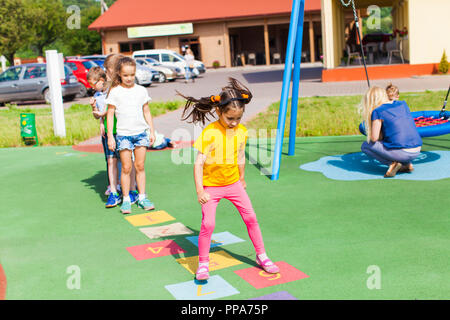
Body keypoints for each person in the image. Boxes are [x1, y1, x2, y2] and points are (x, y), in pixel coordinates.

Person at [178, 77, 280, 280]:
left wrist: (241, 177)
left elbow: (240, 155)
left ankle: (262, 256)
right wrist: (200, 190)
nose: (234, 123)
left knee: (251, 218)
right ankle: (204, 264)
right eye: (229, 118)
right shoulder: (210, 132)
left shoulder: (241, 132)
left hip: (233, 184)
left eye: (238, 119)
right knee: (208, 225)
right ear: (219, 112)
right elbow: (198, 163)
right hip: (211, 187)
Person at [105, 56, 156, 214]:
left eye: (132, 75)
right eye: (125, 75)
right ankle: (126, 199)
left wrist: (151, 131)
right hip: (123, 135)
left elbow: (146, 111)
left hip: (140, 133)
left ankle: (142, 197)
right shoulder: (115, 92)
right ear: (119, 74)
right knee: (126, 167)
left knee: (140, 166)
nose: (129, 78)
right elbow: (110, 114)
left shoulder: (141, 90)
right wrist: (110, 136)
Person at [360, 86, 422, 178]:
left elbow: (374, 138)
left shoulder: (377, 111)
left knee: (366, 145)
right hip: (417, 150)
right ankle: (406, 164)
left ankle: (392, 164)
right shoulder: (402, 104)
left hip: (403, 153)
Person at [103, 54, 139, 204]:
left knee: (128, 162)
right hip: (111, 131)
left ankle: (132, 189)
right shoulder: (110, 89)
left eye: (106, 70)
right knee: (111, 160)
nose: (105, 73)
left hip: (125, 130)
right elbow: (108, 111)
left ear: (112, 70)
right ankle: (114, 190)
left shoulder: (126, 89)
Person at [87, 66, 121, 207]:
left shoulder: (110, 93)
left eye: (93, 85)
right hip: (107, 131)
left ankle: (126, 185)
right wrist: (94, 109)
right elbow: (99, 114)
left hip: (118, 129)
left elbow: (108, 111)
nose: (92, 88)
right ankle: (113, 186)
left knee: (122, 159)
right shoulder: (97, 95)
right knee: (110, 160)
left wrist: (100, 114)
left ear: (101, 80)